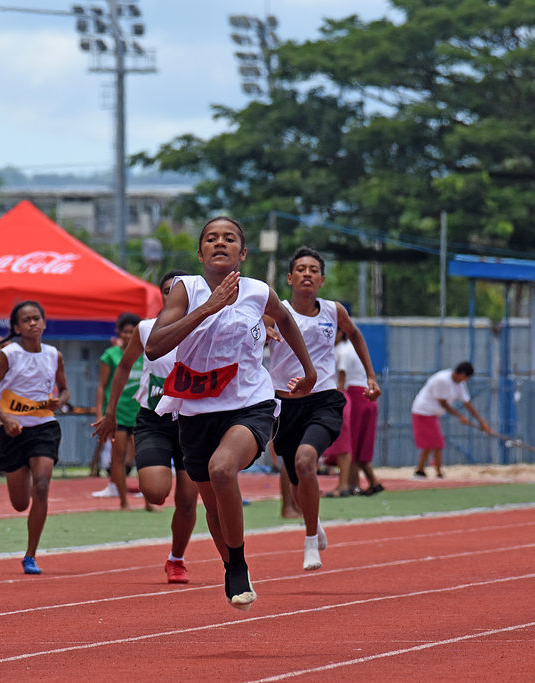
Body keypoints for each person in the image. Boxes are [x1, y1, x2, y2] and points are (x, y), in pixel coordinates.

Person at [145, 216, 317, 610]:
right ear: (200, 253)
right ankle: (229, 561)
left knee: (223, 469)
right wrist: (208, 308)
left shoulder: (258, 291)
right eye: (211, 238)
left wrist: (308, 371)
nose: (220, 243)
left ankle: (237, 564)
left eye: (229, 238)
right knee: (213, 506)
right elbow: (154, 347)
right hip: (195, 407)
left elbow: (286, 320)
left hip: (248, 402)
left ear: (243, 252)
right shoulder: (185, 289)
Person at [267, 247, 380, 571]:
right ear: (290, 278)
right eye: (301, 269)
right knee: (296, 480)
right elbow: (250, 337)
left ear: (322, 280)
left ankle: (309, 541)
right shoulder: (276, 311)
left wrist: (370, 376)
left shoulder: (333, 310)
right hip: (284, 404)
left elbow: (355, 335)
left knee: (306, 460)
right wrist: (261, 332)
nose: (307, 274)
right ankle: (314, 522)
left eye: (314, 270)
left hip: (323, 399)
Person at [93, 270, 200, 583]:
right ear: (162, 295)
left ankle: (176, 559)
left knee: (187, 500)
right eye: (168, 289)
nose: (173, 293)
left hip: (192, 421)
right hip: (153, 419)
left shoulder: (205, 327)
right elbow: (124, 366)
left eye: (180, 288)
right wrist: (110, 413)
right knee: (155, 493)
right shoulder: (145, 328)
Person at [0, 301, 69, 575]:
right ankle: (25, 469)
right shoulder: (9, 354)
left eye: (36, 318)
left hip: (44, 427)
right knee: (20, 503)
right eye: (26, 320)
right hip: (12, 430)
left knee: (41, 485)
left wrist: (60, 401)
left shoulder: (54, 355)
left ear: (44, 322)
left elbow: (65, 389)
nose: (33, 323)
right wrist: (5, 418)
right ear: (17, 328)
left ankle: (30, 555)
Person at [93, 312, 143, 509]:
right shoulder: (110, 355)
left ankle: (148, 501)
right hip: (118, 414)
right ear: (119, 333)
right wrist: (100, 413)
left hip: (140, 413)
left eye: (132, 332)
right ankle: (123, 501)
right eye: (125, 332)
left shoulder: (146, 353)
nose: (129, 336)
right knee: (118, 458)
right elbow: (101, 386)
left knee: (143, 458)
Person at [411, 361, 491, 478]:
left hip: (433, 414)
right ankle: (437, 473)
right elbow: (443, 403)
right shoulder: (442, 380)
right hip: (423, 412)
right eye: (466, 378)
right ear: (462, 374)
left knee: (430, 444)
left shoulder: (460, 384)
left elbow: (467, 403)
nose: (466, 380)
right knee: (437, 443)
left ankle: (421, 471)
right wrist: (460, 416)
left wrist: (481, 422)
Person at [335, 328, 383, 496]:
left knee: (351, 442)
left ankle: (349, 484)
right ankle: (368, 482)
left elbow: (341, 381)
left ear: (340, 333)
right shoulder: (352, 348)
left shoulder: (342, 350)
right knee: (360, 443)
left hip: (356, 396)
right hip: (367, 397)